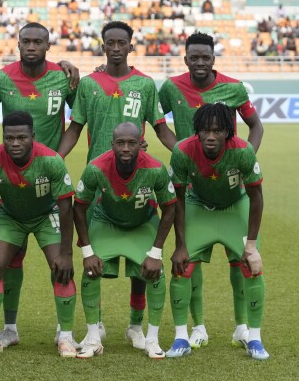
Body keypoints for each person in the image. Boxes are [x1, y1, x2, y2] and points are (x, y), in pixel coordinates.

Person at [58, 20, 177, 351]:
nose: (115, 47)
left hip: (136, 176)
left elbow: (160, 129)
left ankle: (135, 327)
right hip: (98, 183)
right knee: (96, 260)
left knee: (141, 263)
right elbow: (75, 128)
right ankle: (94, 328)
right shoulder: (89, 84)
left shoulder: (145, 84)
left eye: (121, 42)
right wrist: (55, 158)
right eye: (109, 42)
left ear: (130, 46)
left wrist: (183, 154)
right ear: (102, 45)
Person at [0, 22, 79, 349]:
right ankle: (5, 329)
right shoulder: (3, 79)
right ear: (18, 44)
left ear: (48, 45)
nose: (31, 46)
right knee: (4, 262)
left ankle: (66, 333)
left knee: (60, 265)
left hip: (48, 193)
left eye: (38, 41)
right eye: (26, 41)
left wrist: (55, 159)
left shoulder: (64, 77)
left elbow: (84, 115)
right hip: (12, 193)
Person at [159, 31, 264, 350]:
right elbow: (156, 120)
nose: (200, 62)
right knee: (187, 261)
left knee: (242, 263)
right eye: (195, 57)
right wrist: (183, 153)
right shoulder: (171, 87)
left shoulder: (232, 87)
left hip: (232, 192)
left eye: (206, 57)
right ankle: (197, 328)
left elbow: (256, 126)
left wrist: (243, 160)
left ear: (213, 58)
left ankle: (244, 328)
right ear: (186, 58)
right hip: (195, 190)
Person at [166, 103, 269, 360]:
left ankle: (251, 336)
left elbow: (256, 198)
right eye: (205, 130)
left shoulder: (243, 152)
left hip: (235, 206)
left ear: (228, 132)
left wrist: (252, 246)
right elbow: (176, 199)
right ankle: (184, 335)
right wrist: (180, 245)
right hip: (198, 206)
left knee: (250, 266)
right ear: (197, 132)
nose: (210, 136)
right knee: (183, 267)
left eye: (217, 130)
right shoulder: (182, 151)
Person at [0, 111, 77, 357]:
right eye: (9, 138)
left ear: (33, 136)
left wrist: (66, 253)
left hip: (46, 215)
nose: (15, 143)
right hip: (11, 217)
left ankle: (65, 336)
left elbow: (66, 207)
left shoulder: (51, 161)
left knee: (60, 269)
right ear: (3, 137)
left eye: (22, 137)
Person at [73, 122, 176, 359]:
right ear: (112, 145)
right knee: (90, 270)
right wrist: (87, 251)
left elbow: (170, 209)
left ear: (141, 144)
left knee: (156, 273)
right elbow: (79, 208)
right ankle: (93, 336)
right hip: (106, 221)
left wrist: (156, 252)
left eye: (132, 143)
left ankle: (148, 336)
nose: (126, 148)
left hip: (142, 223)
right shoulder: (96, 168)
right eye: (120, 143)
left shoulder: (155, 169)